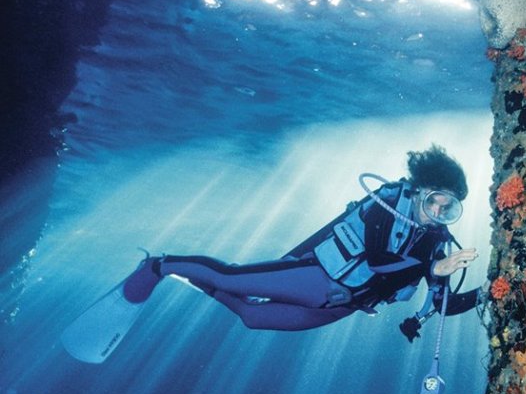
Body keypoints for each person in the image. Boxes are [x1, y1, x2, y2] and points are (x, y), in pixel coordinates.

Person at [120, 145, 483, 341]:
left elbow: (444, 303)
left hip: (343, 305)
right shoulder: (387, 201)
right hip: (316, 277)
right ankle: (159, 265)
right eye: (435, 199)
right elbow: (375, 261)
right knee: (231, 277)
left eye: (448, 206)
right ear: (419, 189)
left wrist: (489, 293)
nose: (438, 211)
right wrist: (431, 268)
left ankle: (193, 280)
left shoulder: (436, 244)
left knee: (252, 317)